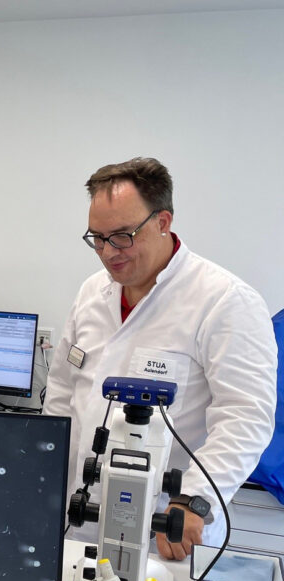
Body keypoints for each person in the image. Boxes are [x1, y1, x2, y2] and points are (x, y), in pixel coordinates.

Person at [45, 157, 277, 559]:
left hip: (167, 526)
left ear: (163, 222)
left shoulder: (224, 301)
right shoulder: (92, 292)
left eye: (122, 236)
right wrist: (46, 472)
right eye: (97, 238)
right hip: (79, 517)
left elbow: (246, 417)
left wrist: (195, 498)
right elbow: (63, 391)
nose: (108, 252)